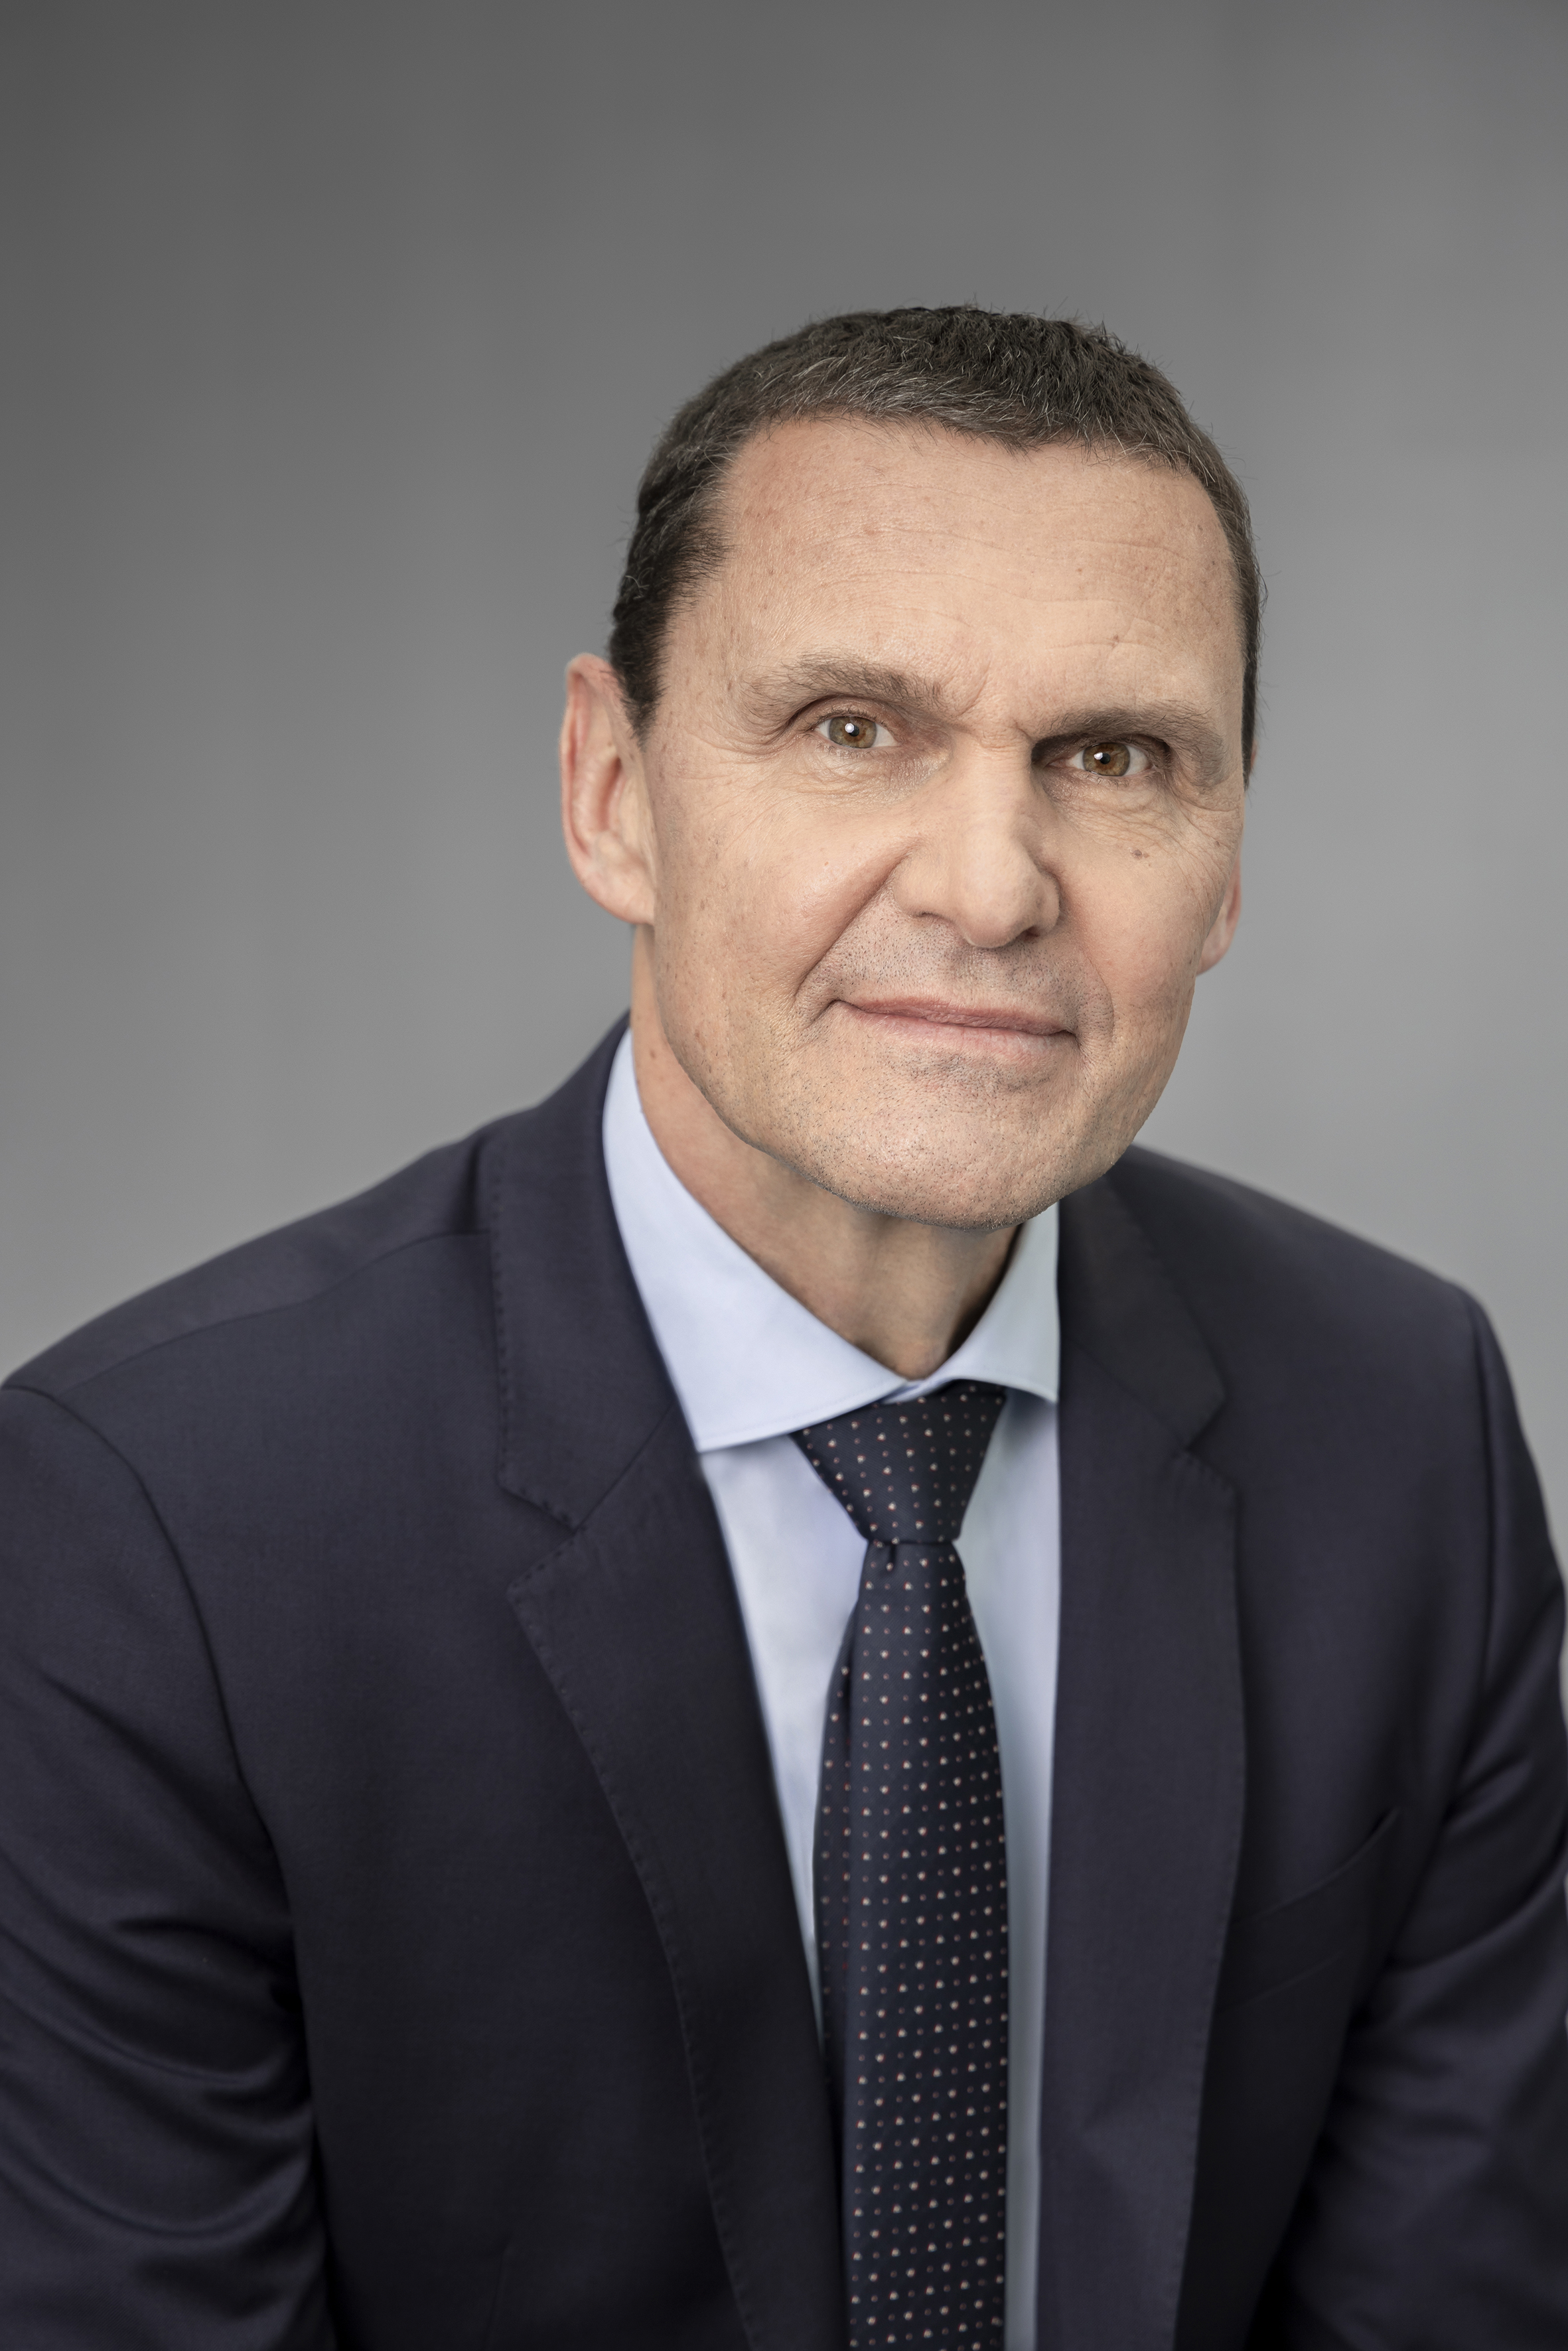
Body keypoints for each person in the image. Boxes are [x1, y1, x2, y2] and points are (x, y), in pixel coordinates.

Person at [1, 307, 1565, 2351]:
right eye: (850, 727)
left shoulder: (1398, 1427)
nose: (990, 889)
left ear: (1226, 861)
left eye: (1112, 758)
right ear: (612, 794)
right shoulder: (154, 1529)